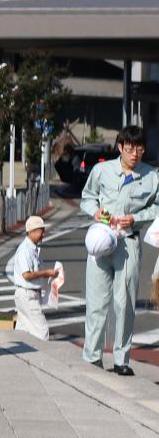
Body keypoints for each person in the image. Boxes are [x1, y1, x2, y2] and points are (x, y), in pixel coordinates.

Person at [78, 125, 159, 375]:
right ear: (120, 147)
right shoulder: (102, 171)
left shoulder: (152, 176)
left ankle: (122, 359)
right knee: (96, 302)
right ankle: (92, 356)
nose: (135, 154)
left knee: (124, 304)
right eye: (130, 148)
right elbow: (87, 196)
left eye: (140, 149)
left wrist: (135, 218)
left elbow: (156, 208)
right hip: (101, 242)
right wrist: (95, 211)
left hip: (128, 243)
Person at [9, 215, 54, 340]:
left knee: (23, 329)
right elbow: (27, 275)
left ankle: (19, 354)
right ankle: (41, 356)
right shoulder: (25, 250)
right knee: (42, 330)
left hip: (27, 294)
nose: (43, 234)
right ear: (30, 231)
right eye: (40, 231)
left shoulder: (33, 249)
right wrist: (46, 273)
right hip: (27, 295)